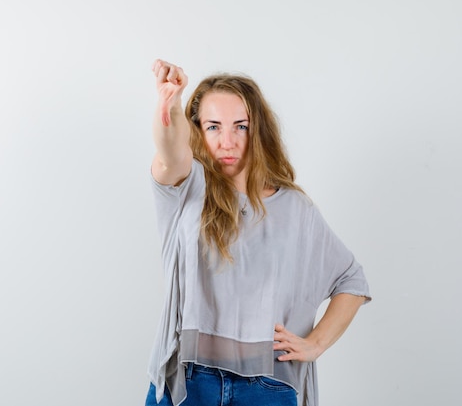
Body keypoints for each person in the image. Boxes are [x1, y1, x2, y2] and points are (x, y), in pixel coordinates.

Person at [144, 59, 371, 406]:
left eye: (240, 127)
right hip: (189, 383)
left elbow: (351, 280)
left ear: (257, 130)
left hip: (267, 387)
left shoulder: (296, 208)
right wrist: (170, 104)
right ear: (197, 131)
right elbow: (170, 151)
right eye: (214, 127)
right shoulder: (187, 187)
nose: (227, 142)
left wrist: (316, 343)